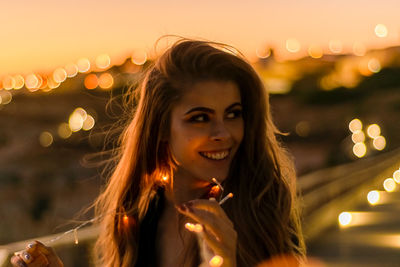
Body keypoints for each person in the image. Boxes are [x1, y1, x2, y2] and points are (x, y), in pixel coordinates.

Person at [11, 37, 305, 267]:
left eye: (233, 114)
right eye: (200, 118)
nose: (223, 133)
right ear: (161, 127)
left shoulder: (263, 214)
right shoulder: (138, 218)